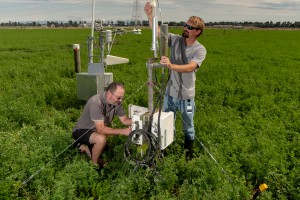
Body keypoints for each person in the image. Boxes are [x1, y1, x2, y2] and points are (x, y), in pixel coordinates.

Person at [144, 2, 207, 160]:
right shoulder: (176, 40)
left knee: (188, 128)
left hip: (186, 96)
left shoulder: (200, 49)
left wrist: (171, 65)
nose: (186, 28)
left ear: (197, 32)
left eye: (190, 27)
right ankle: (164, 154)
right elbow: (157, 32)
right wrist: (150, 15)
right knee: (166, 125)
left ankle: (188, 157)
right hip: (170, 94)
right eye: (185, 25)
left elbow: (190, 67)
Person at [72, 82, 132, 168]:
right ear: (109, 94)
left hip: (95, 131)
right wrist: (123, 131)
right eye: (119, 98)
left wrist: (141, 119)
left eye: (122, 98)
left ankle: (84, 148)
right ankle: (94, 166)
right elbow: (100, 129)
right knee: (101, 140)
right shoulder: (96, 102)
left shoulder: (116, 103)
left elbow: (125, 120)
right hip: (82, 131)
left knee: (104, 146)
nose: (121, 100)